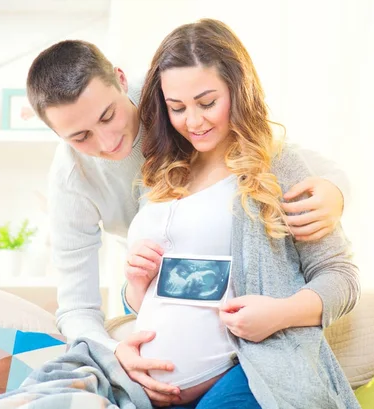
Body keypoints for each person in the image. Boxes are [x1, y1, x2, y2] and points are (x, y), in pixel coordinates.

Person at [26, 39, 352, 406]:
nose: (108, 141)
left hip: (244, 359)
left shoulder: (171, 99)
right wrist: (116, 345)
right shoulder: (147, 173)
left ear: (121, 81)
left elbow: (281, 159)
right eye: (80, 136)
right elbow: (85, 305)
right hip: (150, 354)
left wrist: (333, 191)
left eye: (107, 116)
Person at [122, 18, 361, 408]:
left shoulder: (276, 168)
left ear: (239, 88)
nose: (193, 122)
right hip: (145, 387)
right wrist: (134, 285)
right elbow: (149, 299)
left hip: (248, 374)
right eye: (177, 107)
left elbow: (342, 277)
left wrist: (282, 314)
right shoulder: (159, 176)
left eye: (207, 102)